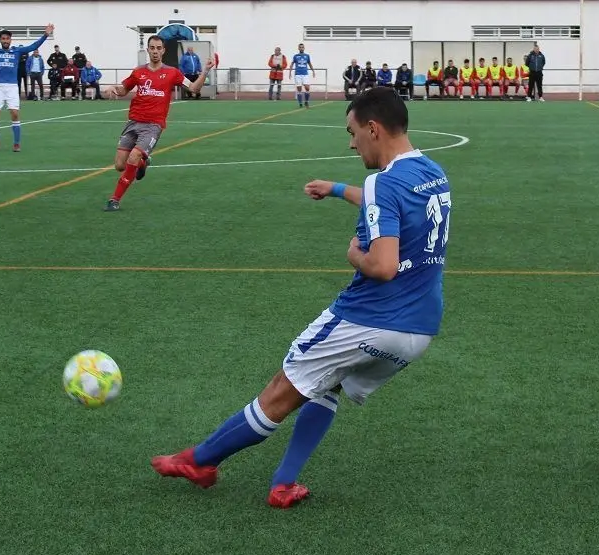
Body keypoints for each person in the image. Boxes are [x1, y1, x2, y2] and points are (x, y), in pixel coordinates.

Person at [151, 87, 452, 509]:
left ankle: (200, 461)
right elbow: (388, 200)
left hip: (370, 318)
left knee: (282, 387)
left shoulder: (383, 183)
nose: (351, 143)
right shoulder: (432, 172)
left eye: (352, 133)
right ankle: (284, 483)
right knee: (328, 382)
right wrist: (335, 189)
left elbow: (383, 265)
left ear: (373, 128)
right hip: (419, 329)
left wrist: (354, 254)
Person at [101, 34, 213, 211]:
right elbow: (124, 90)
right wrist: (114, 88)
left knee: (134, 157)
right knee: (119, 165)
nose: (155, 51)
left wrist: (205, 71)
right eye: (152, 48)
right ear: (148, 50)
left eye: (158, 48)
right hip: (133, 122)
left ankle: (114, 199)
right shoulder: (138, 71)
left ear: (163, 50)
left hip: (153, 125)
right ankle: (144, 163)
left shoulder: (172, 73)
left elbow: (193, 88)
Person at [0, 17, 54, 152]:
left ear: (10, 40)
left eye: (7, 38)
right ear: (0, 40)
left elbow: (33, 46)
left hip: (12, 86)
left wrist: (46, 35)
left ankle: (16, 143)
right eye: (3, 38)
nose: (5, 40)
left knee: (15, 114)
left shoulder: (17, 51)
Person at [290, 43, 314, 108]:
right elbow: (292, 64)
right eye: (300, 47)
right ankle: (300, 103)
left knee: (307, 88)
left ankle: (306, 101)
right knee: (299, 89)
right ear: (298, 48)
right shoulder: (295, 56)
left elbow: (309, 63)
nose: (301, 48)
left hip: (305, 74)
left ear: (304, 48)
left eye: (302, 47)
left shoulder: (307, 56)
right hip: (298, 74)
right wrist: (290, 72)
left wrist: (313, 71)